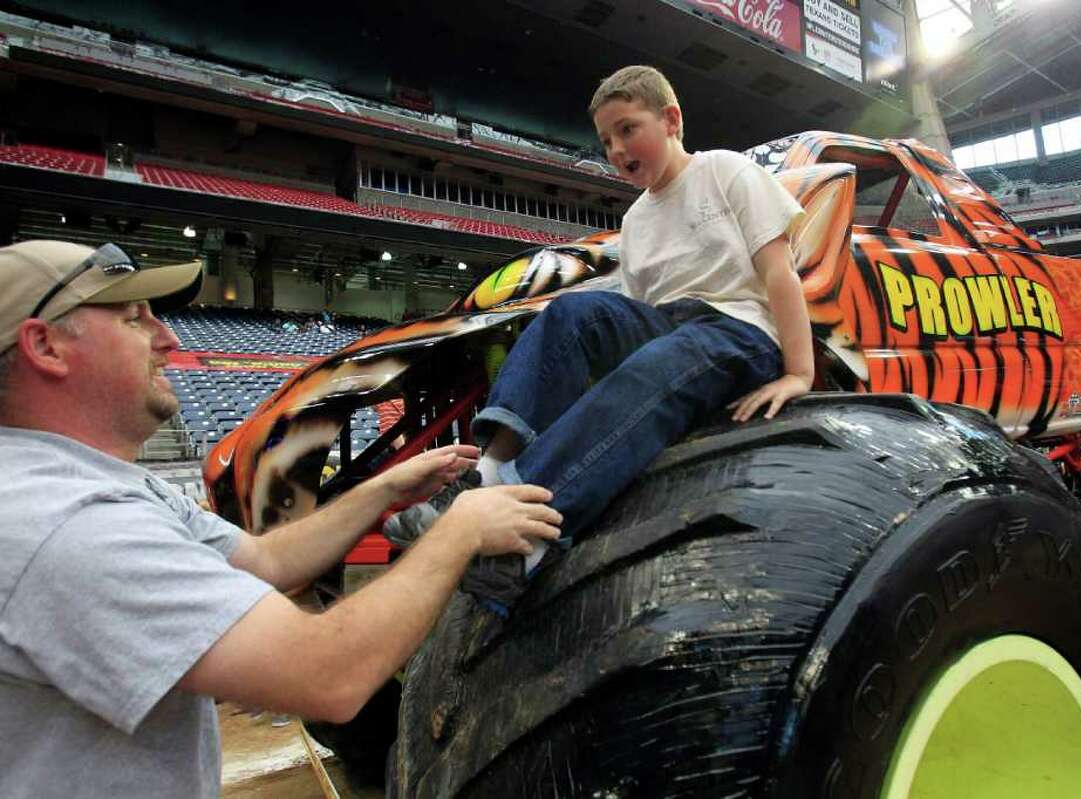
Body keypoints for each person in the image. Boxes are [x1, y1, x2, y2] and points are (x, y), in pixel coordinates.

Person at [0, 240, 561, 798]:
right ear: (46, 346)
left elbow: (265, 559)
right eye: (132, 320)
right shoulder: (68, 525)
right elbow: (326, 676)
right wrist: (459, 530)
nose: (168, 339)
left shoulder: (101, 483)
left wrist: (385, 486)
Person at [388, 64, 814, 611]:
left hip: (738, 330)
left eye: (627, 129)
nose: (616, 149)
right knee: (571, 313)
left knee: (665, 357)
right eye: (607, 141)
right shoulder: (634, 223)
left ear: (671, 120)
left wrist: (799, 372)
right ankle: (490, 471)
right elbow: (629, 319)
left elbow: (780, 272)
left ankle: (531, 540)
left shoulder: (725, 171)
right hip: (667, 326)